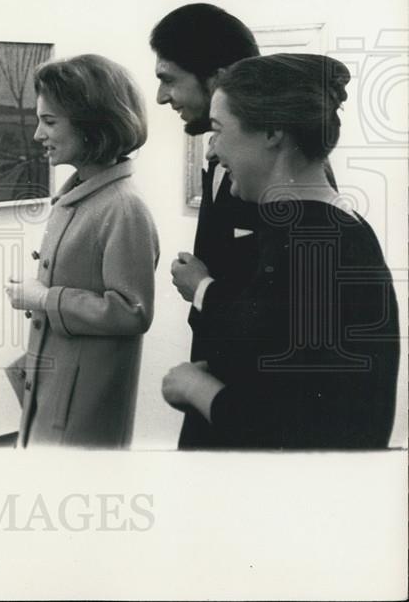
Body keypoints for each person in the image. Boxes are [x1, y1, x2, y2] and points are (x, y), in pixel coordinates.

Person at [161, 54, 400, 448]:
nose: (212, 150)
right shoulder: (317, 231)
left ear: (272, 132)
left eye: (218, 131)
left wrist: (197, 387)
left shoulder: (317, 247)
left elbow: (302, 427)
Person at [4, 54, 160, 447]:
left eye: (50, 122)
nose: (39, 134)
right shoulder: (79, 196)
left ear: (92, 126)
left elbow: (132, 311)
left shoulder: (123, 208)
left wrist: (45, 298)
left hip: (85, 407)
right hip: (55, 391)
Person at [149, 3, 261, 446]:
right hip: (210, 386)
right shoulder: (218, 160)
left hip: (249, 412)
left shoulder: (279, 178)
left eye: (168, 79)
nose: (161, 98)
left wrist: (202, 288)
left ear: (217, 77)